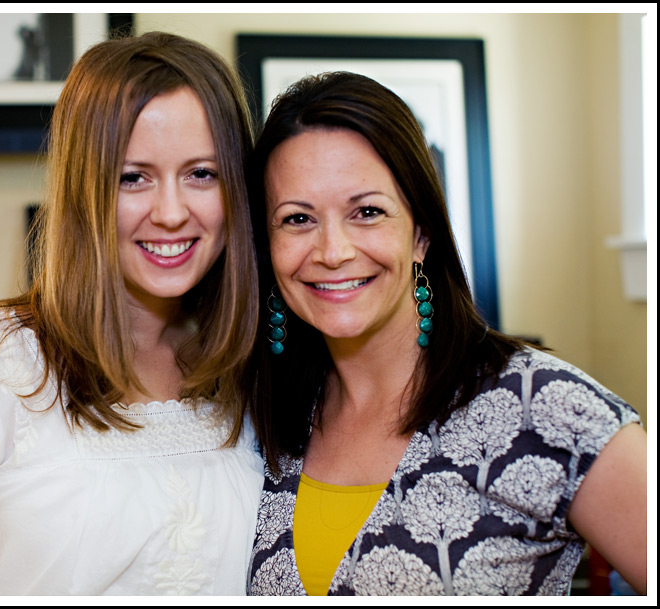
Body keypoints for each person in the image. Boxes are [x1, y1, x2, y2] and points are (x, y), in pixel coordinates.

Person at [0, 31, 264, 595]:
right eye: (133, 177)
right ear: (84, 189)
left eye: (201, 174)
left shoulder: (259, 369)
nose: (173, 212)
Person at [245, 71, 647, 596]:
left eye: (367, 212)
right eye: (297, 219)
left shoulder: (544, 408)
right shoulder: (263, 419)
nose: (332, 250)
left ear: (422, 234)